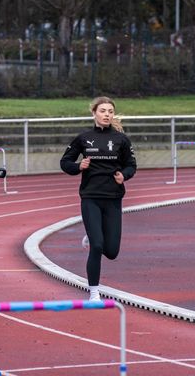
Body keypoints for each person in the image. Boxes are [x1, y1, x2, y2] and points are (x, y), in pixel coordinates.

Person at [60, 96, 137, 301]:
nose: (107, 115)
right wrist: (78, 167)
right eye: (103, 111)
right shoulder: (83, 138)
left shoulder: (121, 139)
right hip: (90, 197)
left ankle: (92, 235)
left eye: (110, 111)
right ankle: (94, 292)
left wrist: (124, 175)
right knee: (97, 246)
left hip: (113, 198)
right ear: (94, 113)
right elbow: (65, 162)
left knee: (111, 251)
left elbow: (131, 165)